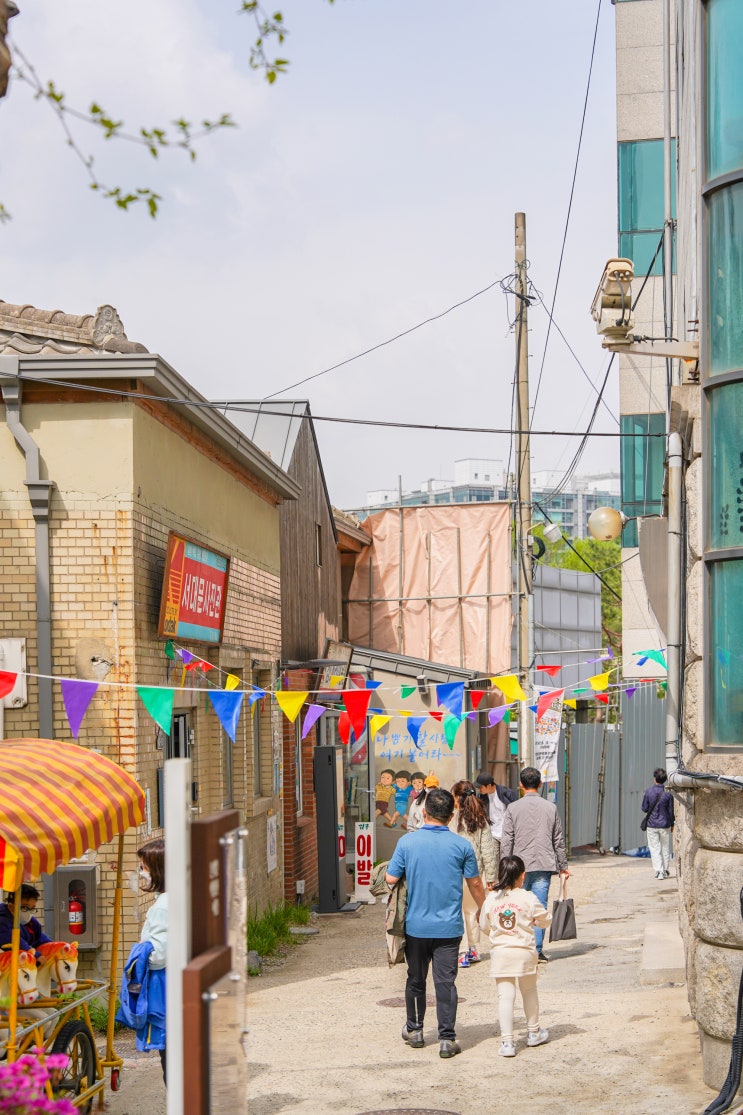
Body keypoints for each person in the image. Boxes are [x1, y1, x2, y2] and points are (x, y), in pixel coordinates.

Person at [386, 787, 486, 1059]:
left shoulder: (407, 843)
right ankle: (446, 1039)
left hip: (415, 926)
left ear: (424, 812)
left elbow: (390, 880)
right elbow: (475, 882)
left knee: (415, 979)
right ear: (451, 814)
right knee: (445, 983)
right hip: (448, 928)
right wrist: (483, 908)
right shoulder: (461, 845)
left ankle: (415, 1030)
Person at [479, 855, 552, 1057]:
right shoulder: (528, 897)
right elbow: (546, 919)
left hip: (501, 952)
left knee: (505, 996)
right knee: (529, 991)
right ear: (522, 875)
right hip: (524, 951)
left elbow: (484, 926)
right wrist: (536, 923)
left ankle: (508, 1043)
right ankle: (533, 1032)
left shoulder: (492, 899)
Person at [500, 767, 569, 963]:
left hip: (518, 865)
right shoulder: (551, 808)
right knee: (538, 907)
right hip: (543, 863)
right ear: (540, 784)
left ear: (521, 785)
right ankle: (536, 951)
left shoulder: (513, 808)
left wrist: (505, 866)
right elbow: (558, 840)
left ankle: (519, 947)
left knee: (516, 906)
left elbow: (507, 840)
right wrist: (563, 865)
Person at [117, 837, 167, 1084]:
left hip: (163, 986)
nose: (141, 873)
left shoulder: (161, 908)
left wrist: (140, 950)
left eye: (143, 868)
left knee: (171, 1057)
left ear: (158, 869)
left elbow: (158, 956)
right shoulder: (182, 897)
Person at [450, 780, 498, 967]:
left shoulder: (454, 819)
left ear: (458, 798)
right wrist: (491, 878)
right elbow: (488, 851)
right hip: (476, 873)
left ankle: (462, 951)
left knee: (459, 912)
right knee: (471, 912)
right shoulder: (480, 820)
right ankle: (473, 949)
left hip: (455, 872)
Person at [475, 772, 518, 869]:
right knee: (493, 863)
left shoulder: (507, 793)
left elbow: (517, 812)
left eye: (481, 787)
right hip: (492, 833)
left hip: (506, 834)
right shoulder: (481, 797)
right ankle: (497, 883)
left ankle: (506, 882)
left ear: (489, 785)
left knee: (506, 862)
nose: (479, 789)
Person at [0, 883, 52, 954]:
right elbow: (15, 942)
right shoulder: (2, 922)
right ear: (11, 907)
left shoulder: (31, 923)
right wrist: (36, 955)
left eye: (32, 908)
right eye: (24, 907)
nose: (28, 912)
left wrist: (53, 947)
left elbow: (39, 937)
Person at [642, 768, 675, 879]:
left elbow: (644, 808)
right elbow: (671, 812)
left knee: (654, 848)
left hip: (652, 824)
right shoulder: (668, 795)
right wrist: (672, 824)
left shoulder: (648, 792)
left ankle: (659, 870)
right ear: (665, 780)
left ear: (654, 779)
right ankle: (665, 870)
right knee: (665, 847)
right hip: (665, 824)